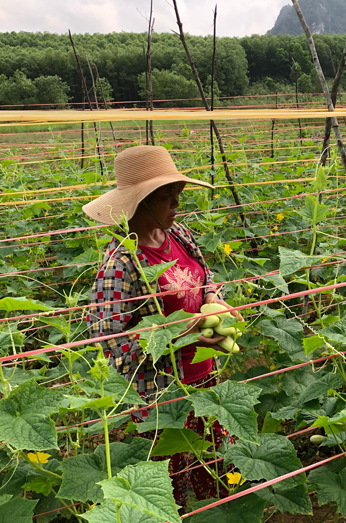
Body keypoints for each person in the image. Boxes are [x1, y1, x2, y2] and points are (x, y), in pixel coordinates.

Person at [83, 145, 241, 507]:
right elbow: (111, 340)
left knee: (211, 470)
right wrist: (190, 329)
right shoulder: (122, 262)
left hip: (203, 377)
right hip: (161, 395)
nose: (177, 206)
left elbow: (205, 275)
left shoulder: (179, 234)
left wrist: (213, 300)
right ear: (140, 202)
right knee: (164, 490)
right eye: (167, 198)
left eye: (178, 196)